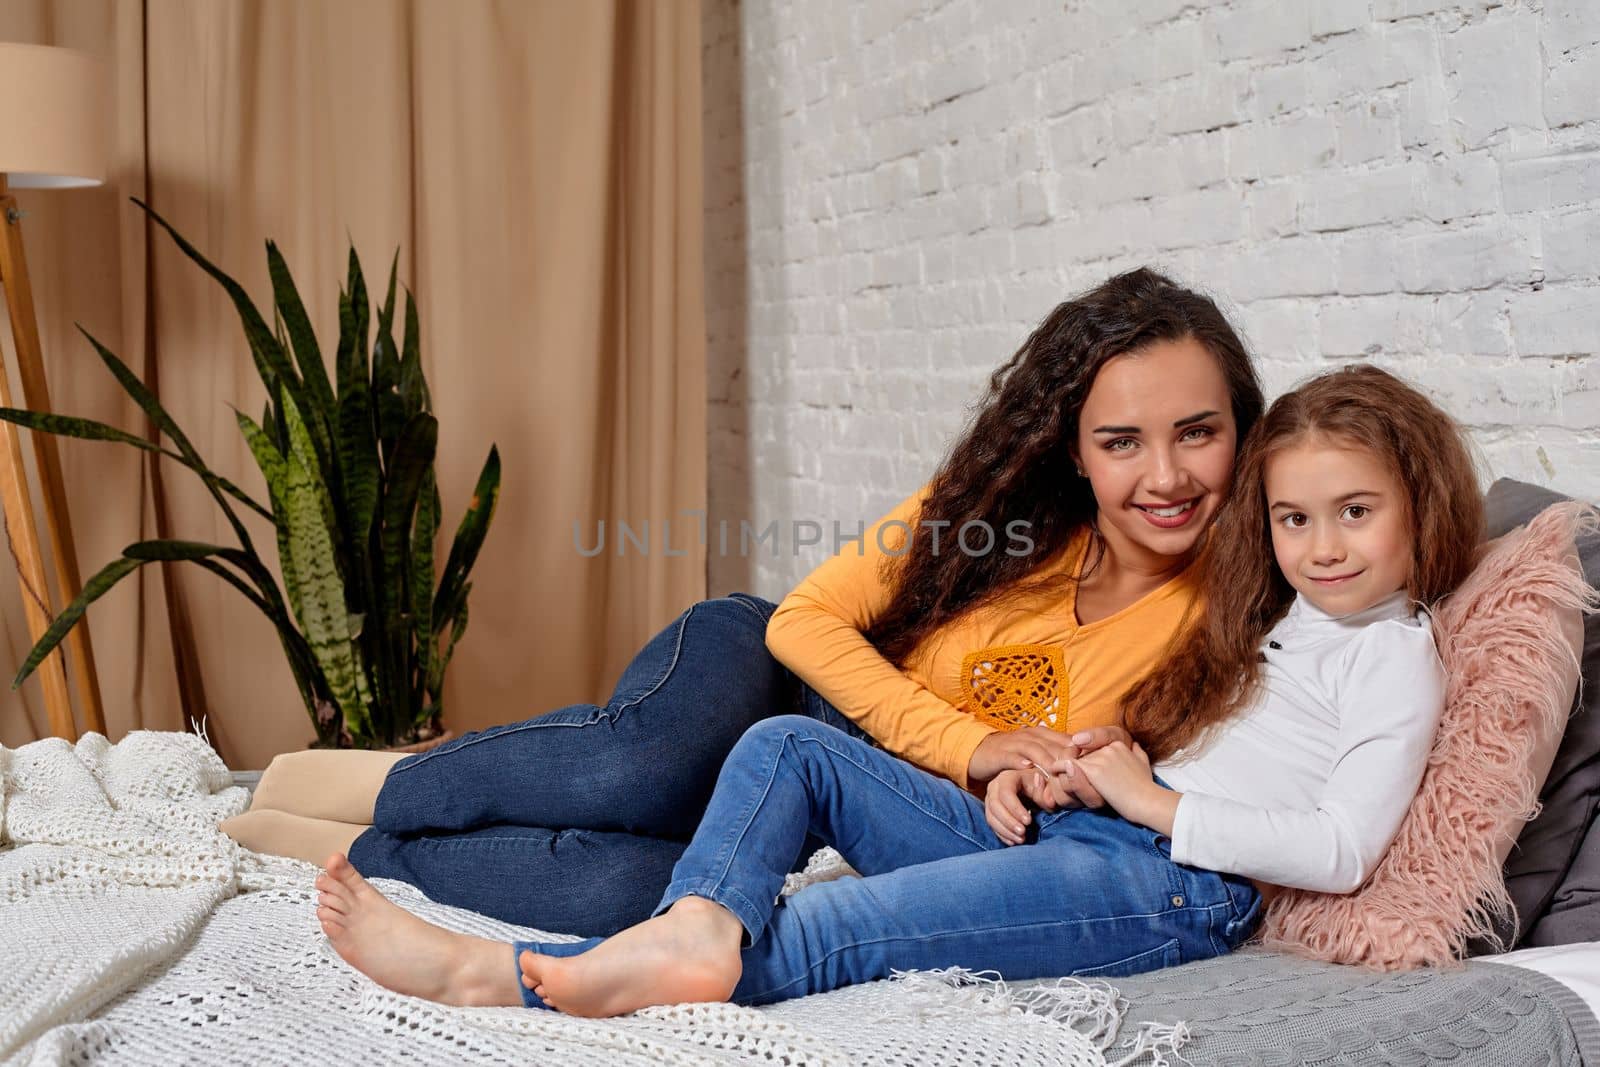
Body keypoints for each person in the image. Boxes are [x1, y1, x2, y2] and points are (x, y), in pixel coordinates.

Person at [307, 364, 1483, 1014]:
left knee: (815, 927)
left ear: (1420, 508)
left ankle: (507, 974)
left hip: (1174, 887)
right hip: (1072, 816)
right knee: (781, 746)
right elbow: (1216, 745)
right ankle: (689, 924)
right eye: (1294, 517)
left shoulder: (1396, 654)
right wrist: (1064, 764)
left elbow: (1336, 847)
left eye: (1355, 513)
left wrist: (1152, 802)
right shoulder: (1265, 608)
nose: (1320, 544)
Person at [230, 266, 1265, 938]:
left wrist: (999, 772)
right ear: (1074, 452)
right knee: (632, 765)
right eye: (1122, 441)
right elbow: (800, 622)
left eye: (1197, 432)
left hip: (840, 800)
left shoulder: (1237, 610)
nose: (1164, 476)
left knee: (636, 898)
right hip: (767, 677)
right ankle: (375, 777)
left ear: (1243, 432)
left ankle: (370, 847)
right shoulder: (999, 517)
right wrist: (969, 744)